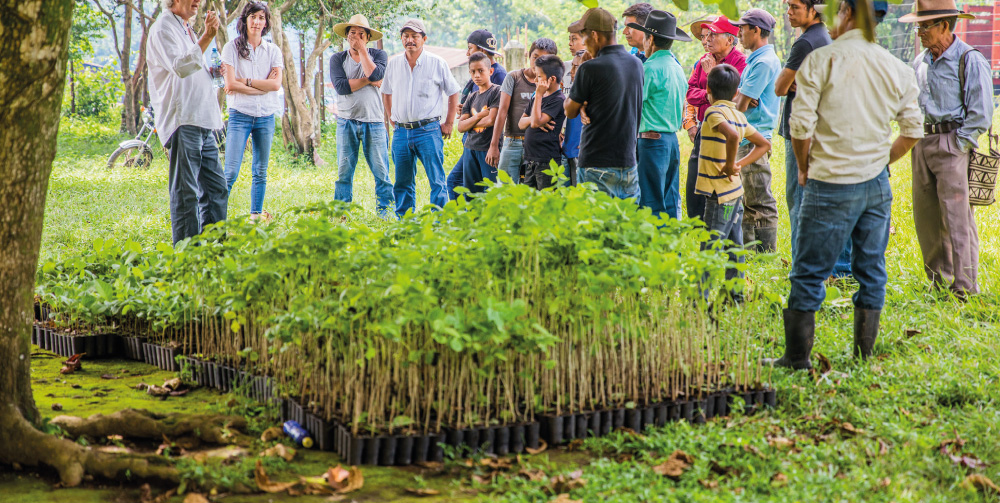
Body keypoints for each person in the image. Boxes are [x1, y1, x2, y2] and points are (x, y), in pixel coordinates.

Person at [768, 0, 924, 369]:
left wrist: (804, 168)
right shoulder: (897, 67)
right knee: (871, 270)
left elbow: (800, 127)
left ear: (847, 12)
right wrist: (880, 160)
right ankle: (863, 356)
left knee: (808, 270)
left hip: (829, 183)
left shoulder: (822, 60)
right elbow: (913, 131)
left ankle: (795, 358)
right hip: (875, 185)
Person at [902, 0, 993, 297]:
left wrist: (958, 143)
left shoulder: (969, 58)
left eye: (923, 25)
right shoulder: (920, 62)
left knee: (957, 218)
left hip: (952, 142)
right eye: (917, 25)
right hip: (921, 141)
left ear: (943, 25)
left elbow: (981, 112)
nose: (919, 32)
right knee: (926, 217)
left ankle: (965, 287)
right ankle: (938, 281)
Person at [775, 0, 852, 275]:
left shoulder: (806, 43)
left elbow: (779, 87)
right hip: (826, 129)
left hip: (802, 132)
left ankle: (804, 266)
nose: (789, 12)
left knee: (800, 201)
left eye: (795, 6)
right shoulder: (829, 37)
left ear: (813, 9)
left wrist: (795, 81)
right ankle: (836, 268)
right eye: (788, 6)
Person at [147, 0, 228, 244]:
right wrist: (206, 37)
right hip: (183, 119)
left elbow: (194, 67)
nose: (198, 1)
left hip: (204, 119)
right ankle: (186, 258)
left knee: (216, 190)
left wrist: (213, 71)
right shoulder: (163, 28)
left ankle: (214, 251)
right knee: (186, 193)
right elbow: (180, 67)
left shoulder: (186, 28)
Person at [697, 64, 771, 301]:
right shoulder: (739, 115)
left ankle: (701, 297)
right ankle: (735, 294)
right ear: (736, 91)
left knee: (710, 244)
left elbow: (731, 136)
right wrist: (741, 163)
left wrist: (731, 164)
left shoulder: (712, 112)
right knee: (734, 245)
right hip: (735, 192)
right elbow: (764, 145)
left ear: (708, 88)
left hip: (718, 193)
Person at [382, 19, 461, 218]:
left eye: (415, 36)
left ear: (423, 39)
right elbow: (386, 92)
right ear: (401, 39)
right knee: (402, 181)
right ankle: (405, 220)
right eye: (406, 36)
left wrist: (449, 123)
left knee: (436, 179)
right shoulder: (393, 64)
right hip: (401, 132)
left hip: (428, 130)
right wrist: (392, 116)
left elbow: (453, 92)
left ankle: (440, 221)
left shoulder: (437, 63)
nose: (410, 40)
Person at [565, 7, 644, 200]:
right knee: (625, 226)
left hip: (596, 163)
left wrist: (581, 100)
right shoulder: (636, 64)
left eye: (583, 37)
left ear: (594, 35)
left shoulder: (589, 69)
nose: (583, 43)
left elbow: (569, 110)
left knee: (595, 227)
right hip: (628, 162)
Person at [219, 2, 281, 222]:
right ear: (244, 20)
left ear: (266, 22)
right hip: (240, 115)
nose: (257, 22)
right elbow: (230, 84)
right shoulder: (231, 47)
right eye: (253, 17)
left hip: (266, 116)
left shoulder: (273, 50)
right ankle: (216, 217)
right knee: (230, 172)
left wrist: (244, 82)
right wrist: (259, 87)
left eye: (261, 17)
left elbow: (275, 86)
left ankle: (256, 217)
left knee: (260, 171)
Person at [627, 10, 691, 219]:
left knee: (650, 201)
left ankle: (653, 249)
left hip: (651, 143)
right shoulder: (676, 68)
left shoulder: (649, 68)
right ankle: (672, 249)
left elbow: (631, 105)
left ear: (650, 39)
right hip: (672, 141)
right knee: (670, 199)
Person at [329, 14, 393, 218]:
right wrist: (369, 80)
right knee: (344, 172)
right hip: (346, 121)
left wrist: (363, 52)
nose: (356, 37)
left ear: (367, 38)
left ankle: (386, 213)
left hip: (374, 121)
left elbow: (377, 76)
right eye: (352, 33)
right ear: (347, 37)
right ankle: (341, 214)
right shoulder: (338, 58)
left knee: (382, 171)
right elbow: (341, 87)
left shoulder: (379, 55)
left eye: (361, 34)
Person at [684, 16, 746, 220]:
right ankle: (697, 224)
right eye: (707, 35)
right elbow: (690, 92)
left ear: (730, 39)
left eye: (713, 35)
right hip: (705, 125)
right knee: (695, 175)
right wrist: (709, 95)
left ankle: (721, 224)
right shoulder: (703, 61)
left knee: (722, 179)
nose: (707, 39)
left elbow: (733, 96)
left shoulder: (740, 62)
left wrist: (712, 77)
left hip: (727, 127)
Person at [731, 9, 781, 252]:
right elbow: (740, 99)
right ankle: (751, 252)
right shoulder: (755, 59)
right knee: (748, 197)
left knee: (759, 198)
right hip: (747, 137)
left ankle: (764, 255)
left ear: (757, 31)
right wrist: (740, 97)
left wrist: (739, 98)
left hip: (754, 138)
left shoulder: (763, 62)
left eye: (743, 29)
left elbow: (739, 104)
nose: (739, 33)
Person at [446, 29, 507, 200]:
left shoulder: (499, 78)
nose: (467, 52)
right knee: (465, 187)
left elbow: (494, 118)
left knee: (488, 189)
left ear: (482, 51)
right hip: (471, 143)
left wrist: (472, 120)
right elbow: (466, 121)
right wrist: (476, 116)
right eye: (473, 72)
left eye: (470, 48)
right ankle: (465, 223)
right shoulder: (474, 87)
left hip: (487, 144)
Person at [487, 38, 558, 184]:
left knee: (533, 191)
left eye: (545, 60)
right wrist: (494, 145)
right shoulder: (514, 77)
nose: (538, 63)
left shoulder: (551, 83)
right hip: (513, 142)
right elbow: (502, 112)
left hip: (538, 145)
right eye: (536, 57)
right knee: (505, 188)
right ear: (528, 56)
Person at [518, 54, 567, 190]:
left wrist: (539, 94)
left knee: (546, 203)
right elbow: (521, 123)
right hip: (530, 159)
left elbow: (534, 123)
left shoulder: (558, 99)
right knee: (529, 202)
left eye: (539, 77)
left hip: (546, 161)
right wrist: (535, 118)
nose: (535, 80)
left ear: (551, 79)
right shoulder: (536, 99)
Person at [457, 53, 502, 193]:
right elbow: (460, 127)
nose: (476, 75)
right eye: (473, 72)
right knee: (471, 193)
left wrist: (469, 123)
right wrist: (479, 116)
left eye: (480, 71)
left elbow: (491, 120)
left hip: (488, 149)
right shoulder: (471, 97)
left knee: (491, 192)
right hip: (470, 148)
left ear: (490, 71)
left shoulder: (497, 91)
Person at [682, 16, 717, 145]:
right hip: (703, 124)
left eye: (709, 35)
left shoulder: (733, 61)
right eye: (702, 37)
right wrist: (690, 123)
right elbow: (690, 94)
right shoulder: (699, 65)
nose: (704, 41)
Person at [561, 50, 592, 186]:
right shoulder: (574, 90)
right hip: (568, 148)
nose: (571, 71)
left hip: (581, 151)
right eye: (572, 66)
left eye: (576, 67)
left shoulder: (591, 92)